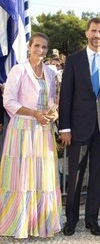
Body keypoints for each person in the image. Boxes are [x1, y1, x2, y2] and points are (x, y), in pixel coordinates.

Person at [59, 17, 100, 237]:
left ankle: (93, 220)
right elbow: (65, 96)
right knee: (75, 176)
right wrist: (64, 127)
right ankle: (72, 220)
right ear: (87, 33)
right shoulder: (74, 60)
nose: (97, 35)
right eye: (94, 31)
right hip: (78, 128)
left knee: (97, 176)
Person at [0, 32, 62, 238]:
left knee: (41, 176)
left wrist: (54, 111)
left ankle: (41, 222)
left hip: (43, 131)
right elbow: (8, 101)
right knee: (23, 177)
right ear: (29, 46)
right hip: (22, 130)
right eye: (37, 46)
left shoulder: (50, 72)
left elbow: (51, 99)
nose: (41, 50)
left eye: (44, 47)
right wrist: (33, 113)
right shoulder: (18, 70)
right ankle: (19, 223)